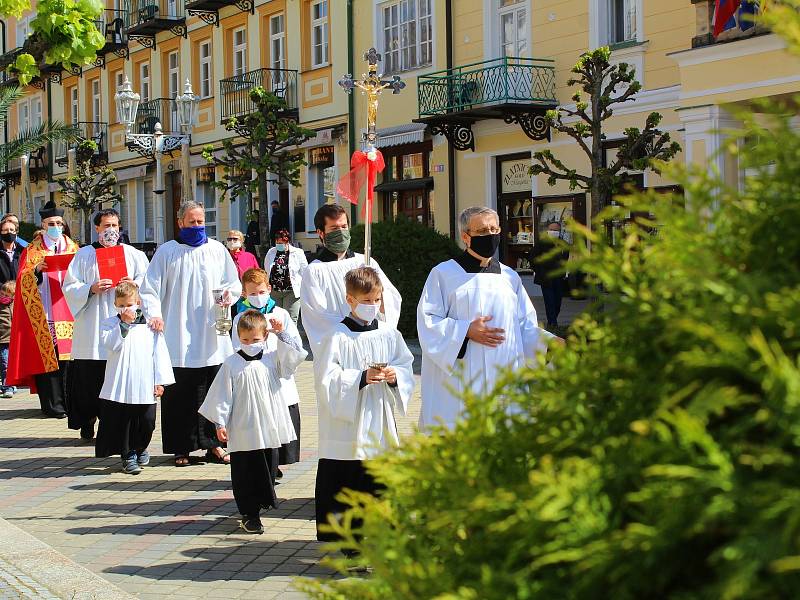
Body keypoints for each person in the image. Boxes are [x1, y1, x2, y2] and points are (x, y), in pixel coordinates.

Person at [417, 206, 557, 430]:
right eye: (482, 231)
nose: (490, 236)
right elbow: (428, 322)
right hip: (461, 379)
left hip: (505, 374)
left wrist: (549, 342)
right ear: (465, 237)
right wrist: (465, 331)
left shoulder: (509, 276)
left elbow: (523, 325)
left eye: (494, 229)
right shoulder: (444, 274)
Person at [314, 266, 415, 545]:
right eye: (366, 301)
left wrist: (396, 375)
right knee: (349, 480)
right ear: (350, 300)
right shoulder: (336, 336)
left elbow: (406, 363)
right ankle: (352, 542)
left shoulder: (388, 333)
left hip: (379, 415)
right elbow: (325, 379)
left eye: (377, 300)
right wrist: (359, 377)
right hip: (349, 421)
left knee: (380, 480)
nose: (373, 306)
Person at [140, 201, 242, 467]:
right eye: (192, 222)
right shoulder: (167, 252)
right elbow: (149, 288)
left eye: (201, 222)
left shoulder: (217, 250)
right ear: (180, 222)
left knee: (213, 389)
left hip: (211, 334)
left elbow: (233, 283)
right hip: (178, 334)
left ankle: (216, 444)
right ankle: (181, 446)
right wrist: (154, 314)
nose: (197, 227)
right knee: (180, 394)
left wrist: (229, 296)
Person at [199, 310, 307, 534]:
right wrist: (220, 424)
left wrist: (282, 333)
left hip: (268, 426)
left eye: (255, 340)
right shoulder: (231, 364)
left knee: (267, 466)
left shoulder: (272, 359)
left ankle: (263, 501)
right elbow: (221, 395)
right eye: (245, 340)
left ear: (265, 337)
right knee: (244, 469)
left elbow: (295, 357)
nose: (250, 344)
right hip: (243, 426)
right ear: (238, 338)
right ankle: (249, 513)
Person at [63, 209, 149, 441]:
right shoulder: (84, 255)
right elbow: (69, 286)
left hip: (123, 319)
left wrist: (134, 283)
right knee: (90, 380)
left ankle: (113, 425)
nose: (111, 230)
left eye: (115, 225)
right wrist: (90, 288)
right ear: (97, 228)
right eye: (106, 226)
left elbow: (148, 281)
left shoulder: (132, 254)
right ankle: (88, 419)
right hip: (92, 323)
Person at [7, 201, 79, 418]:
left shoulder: (74, 247)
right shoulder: (32, 250)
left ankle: (69, 402)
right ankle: (52, 405)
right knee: (47, 360)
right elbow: (22, 279)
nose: (55, 226)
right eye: (51, 223)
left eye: (58, 222)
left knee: (68, 360)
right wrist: (37, 270)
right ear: (44, 224)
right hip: (44, 310)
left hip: (69, 311)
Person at [231, 268, 304, 479]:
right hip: (255, 378)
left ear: (269, 289)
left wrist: (281, 333)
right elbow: (237, 347)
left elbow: (296, 347)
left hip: (279, 377)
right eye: (252, 293)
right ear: (244, 293)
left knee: (280, 422)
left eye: (261, 291)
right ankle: (264, 466)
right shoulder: (241, 318)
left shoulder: (280, 314)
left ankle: (276, 463)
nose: (258, 296)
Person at [96, 282, 174, 474]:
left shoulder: (150, 325)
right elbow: (110, 344)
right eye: (121, 306)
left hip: (145, 381)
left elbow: (160, 352)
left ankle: (141, 447)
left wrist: (160, 380)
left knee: (147, 421)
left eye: (129, 304)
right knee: (126, 420)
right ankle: (128, 454)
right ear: (115, 305)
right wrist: (123, 324)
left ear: (138, 302)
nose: (126, 309)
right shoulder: (110, 323)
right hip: (122, 381)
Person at [300, 204, 401, 350]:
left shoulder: (365, 262)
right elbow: (316, 317)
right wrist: (350, 332)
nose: (341, 232)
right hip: (341, 346)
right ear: (321, 233)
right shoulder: (315, 271)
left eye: (344, 227)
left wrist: (383, 304)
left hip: (371, 339)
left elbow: (391, 297)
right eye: (334, 228)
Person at [531, 222, 571, 330]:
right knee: (549, 300)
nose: (553, 232)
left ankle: (553, 320)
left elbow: (566, 257)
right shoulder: (541, 243)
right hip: (546, 277)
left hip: (559, 277)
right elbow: (533, 258)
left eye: (556, 230)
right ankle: (552, 323)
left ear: (559, 231)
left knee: (558, 301)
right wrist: (539, 271)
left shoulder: (563, 243)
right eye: (551, 230)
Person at [264, 229, 307, 325]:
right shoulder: (271, 252)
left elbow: (305, 272)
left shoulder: (298, 253)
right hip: (275, 292)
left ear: (288, 242)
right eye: (277, 242)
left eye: (282, 242)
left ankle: (291, 340)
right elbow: (267, 270)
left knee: (291, 320)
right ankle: (277, 340)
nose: (279, 244)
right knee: (275, 319)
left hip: (291, 292)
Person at [0, 281, 15, 398]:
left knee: (11, 364)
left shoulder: (15, 305)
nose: (3, 297)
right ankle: (7, 387)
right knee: (5, 364)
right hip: (2, 339)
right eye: (2, 294)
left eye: (7, 295)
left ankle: (11, 385)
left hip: (13, 340)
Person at [0, 217, 23, 286]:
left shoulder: (23, 251)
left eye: (12, 230)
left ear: (16, 232)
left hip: (20, 293)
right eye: (6, 230)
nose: (9, 232)